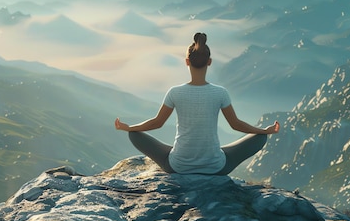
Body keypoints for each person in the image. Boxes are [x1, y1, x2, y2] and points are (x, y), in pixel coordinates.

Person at [114, 32, 280, 175]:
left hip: (178, 167)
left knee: (134, 134)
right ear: (209, 62)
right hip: (215, 167)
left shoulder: (174, 92)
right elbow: (236, 125)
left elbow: (157, 123)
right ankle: (211, 154)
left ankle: (181, 153)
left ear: (187, 62)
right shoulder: (220, 92)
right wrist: (263, 130)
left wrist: (129, 127)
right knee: (260, 139)